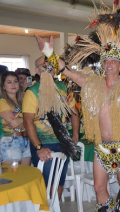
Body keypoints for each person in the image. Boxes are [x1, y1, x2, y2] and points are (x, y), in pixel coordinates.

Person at [35, 22, 120, 211]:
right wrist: (49, 54)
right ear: (103, 63)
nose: (109, 64)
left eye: (113, 61)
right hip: (100, 146)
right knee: (98, 187)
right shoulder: (92, 84)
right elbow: (68, 72)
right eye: (106, 61)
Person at [22, 56, 80, 199]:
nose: (48, 68)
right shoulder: (32, 92)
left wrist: (75, 135)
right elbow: (27, 121)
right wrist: (38, 147)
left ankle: (56, 207)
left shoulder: (63, 87)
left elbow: (75, 113)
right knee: (47, 182)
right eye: (44, 65)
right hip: (44, 144)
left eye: (51, 65)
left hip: (63, 142)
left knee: (59, 182)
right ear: (37, 70)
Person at [0, 71, 31, 165]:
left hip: (26, 139)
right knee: (12, 177)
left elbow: (35, 119)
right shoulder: (2, 101)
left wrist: (21, 120)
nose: (13, 84)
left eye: (15, 81)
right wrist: (27, 120)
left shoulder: (24, 100)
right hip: (10, 141)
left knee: (24, 175)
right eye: (9, 82)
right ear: (3, 86)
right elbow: (13, 123)